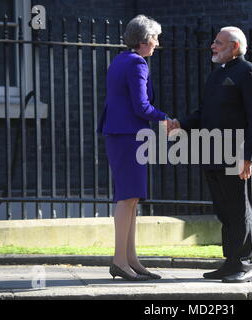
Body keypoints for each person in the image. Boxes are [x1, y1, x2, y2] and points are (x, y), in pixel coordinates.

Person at [168, 26, 252, 283]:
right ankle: (230, 262)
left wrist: (249, 157)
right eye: (213, 42)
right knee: (224, 211)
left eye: (218, 43)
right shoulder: (215, 76)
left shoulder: (248, 72)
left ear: (235, 46)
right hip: (212, 152)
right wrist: (180, 123)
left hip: (236, 154)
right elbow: (203, 114)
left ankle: (244, 266)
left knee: (239, 210)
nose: (213, 46)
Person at [98, 15, 172, 281]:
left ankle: (131, 259)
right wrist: (166, 118)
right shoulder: (138, 64)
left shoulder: (119, 60)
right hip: (129, 135)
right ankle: (120, 260)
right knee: (127, 198)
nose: (157, 43)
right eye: (155, 38)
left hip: (120, 133)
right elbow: (142, 106)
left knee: (131, 198)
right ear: (143, 41)